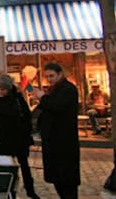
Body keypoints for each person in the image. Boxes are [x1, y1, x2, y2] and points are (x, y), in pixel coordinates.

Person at [0, 75, 40, 199]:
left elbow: (26, 116)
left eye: (3, 89)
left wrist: (27, 132)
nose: (1, 91)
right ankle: (9, 190)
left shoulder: (17, 98)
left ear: (9, 88)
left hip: (18, 137)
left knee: (24, 166)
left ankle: (30, 190)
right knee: (4, 166)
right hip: (2, 138)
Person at [34, 63, 80, 199]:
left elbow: (56, 106)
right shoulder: (54, 89)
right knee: (58, 180)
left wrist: (42, 97)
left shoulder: (68, 89)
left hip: (64, 142)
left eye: (52, 76)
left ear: (60, 74)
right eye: (47, 76)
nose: (49, 79)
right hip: (53, 142)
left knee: (67, 182)